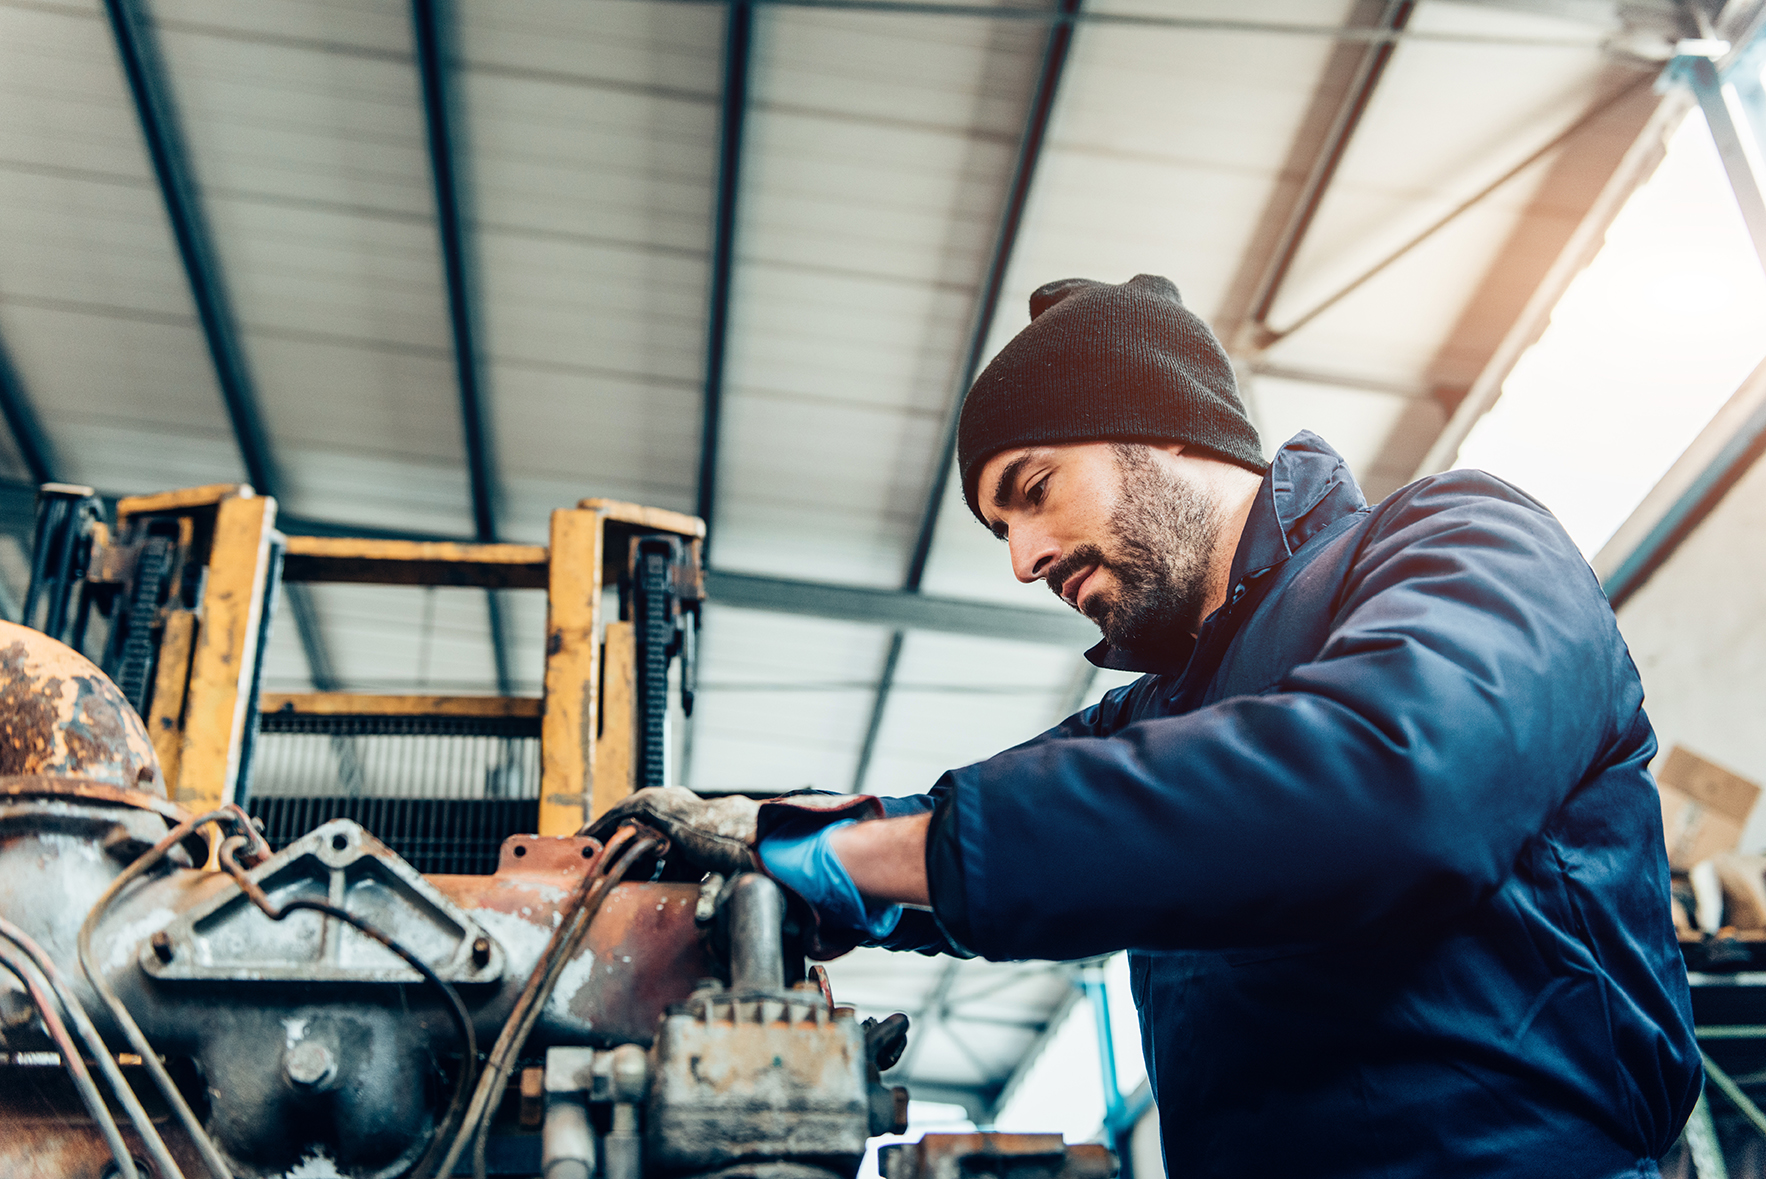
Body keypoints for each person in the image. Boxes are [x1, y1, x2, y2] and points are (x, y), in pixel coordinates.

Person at [596, 275, 1700, 1178]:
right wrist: (770, 840)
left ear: (1164, 430)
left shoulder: (1460, 546)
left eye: (1031, 489)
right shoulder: (1160, 715)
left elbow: (1384, 788)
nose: (1022, 560)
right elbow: (976, 827)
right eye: (997, 530)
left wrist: (852, 855)